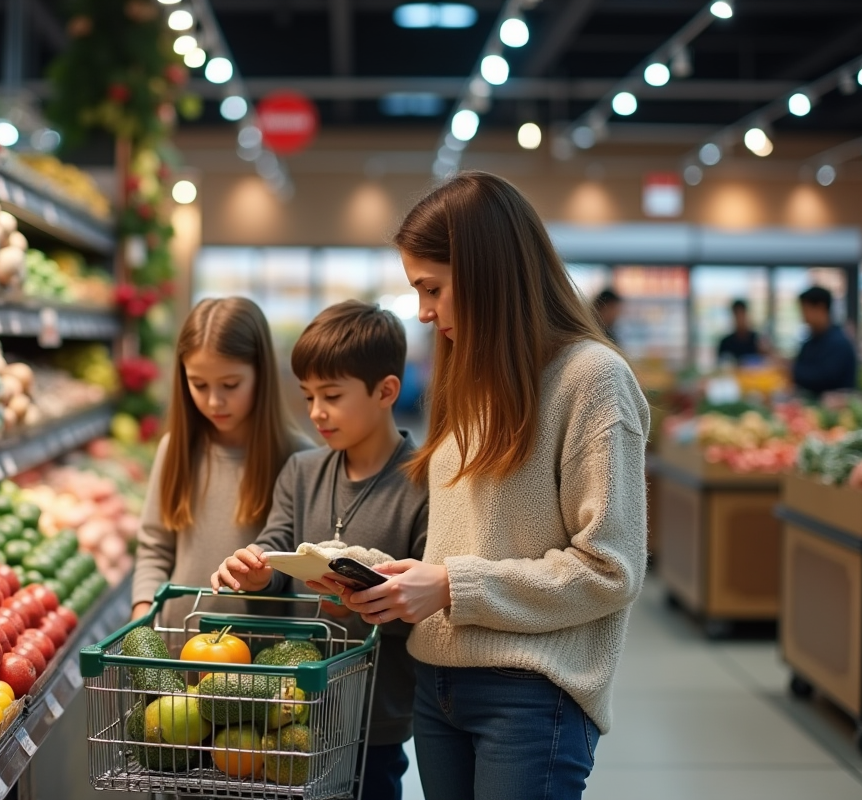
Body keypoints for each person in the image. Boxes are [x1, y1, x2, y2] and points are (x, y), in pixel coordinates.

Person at [336, 172, 650, 800]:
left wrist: (452, 585)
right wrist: (386, 576)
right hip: (438, 684)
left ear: (486, 274)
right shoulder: (467, 380)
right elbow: (465, 542)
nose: (424, 311)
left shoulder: (592, 380)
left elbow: (610, 570)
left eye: (433, 288)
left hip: (532, 695)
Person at [211, 300, 429, 800]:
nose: (315, 413)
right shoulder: (303, 472)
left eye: (331, 395)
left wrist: (370, 600)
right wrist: (258, 572)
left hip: (375, 709)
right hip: (289, 701)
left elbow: (426, 604)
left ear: (386, 391)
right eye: (308, 396)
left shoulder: (423, 482)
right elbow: (276, 549)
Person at [130, 297, 310, 631]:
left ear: (261, 373)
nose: (214, 401)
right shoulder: (175, 449)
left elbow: (301, 568)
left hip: (261, 659)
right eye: (198, 384)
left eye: (230, 385)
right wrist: (143, 614)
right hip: (178, 642)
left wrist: (265, 575)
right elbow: (154, 550)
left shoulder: (301, 459)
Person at [792, 286, 857, 398]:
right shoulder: (810, 342)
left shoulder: (839, 343)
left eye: (805, 310)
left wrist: (790, 370)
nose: (803, 318)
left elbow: (823, 379)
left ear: (820, 308)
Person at [717, 299, 767, 364]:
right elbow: (720, 366)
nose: (740, 319)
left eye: (742, 314)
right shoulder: (725, 343)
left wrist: (765, 353)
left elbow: (770, 362)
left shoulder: (758, 341)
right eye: (737, 315)